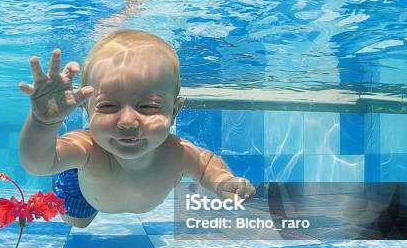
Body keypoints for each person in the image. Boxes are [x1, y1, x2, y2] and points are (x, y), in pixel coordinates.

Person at [18, 29, 256, 228]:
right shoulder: (86, 149)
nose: (128, 122)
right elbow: (38, 164)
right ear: (87, 110)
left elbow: (206, 167)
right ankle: (68, 173)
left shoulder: (178, 153)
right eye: (109, 106)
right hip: (84, 190)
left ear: (174, 112)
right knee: (78, 223)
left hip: (108, 192)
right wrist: (44, 123)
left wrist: (222, 181)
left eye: (148, 106)